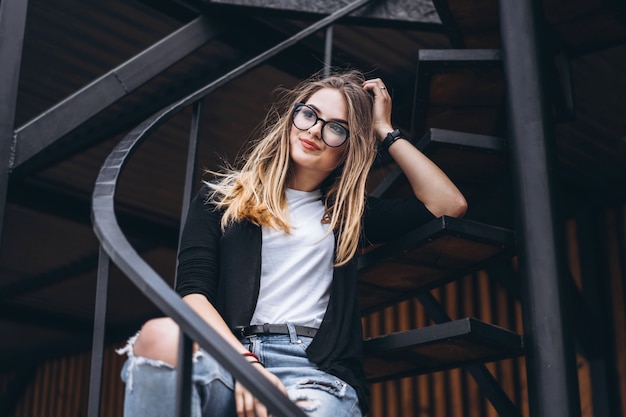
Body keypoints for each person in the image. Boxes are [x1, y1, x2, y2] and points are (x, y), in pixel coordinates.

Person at [117, 69, 467, 417]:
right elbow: (193, 293)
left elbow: (448, 205)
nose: (315, 129)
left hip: (312, 372)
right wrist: (246, 366)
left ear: (347, 149)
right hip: (229, 357)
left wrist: (385, 131)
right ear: (291, 119)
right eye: (308, 114)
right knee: (159, 335)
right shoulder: (221, 199)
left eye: (336, 128)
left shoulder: (348, 214)